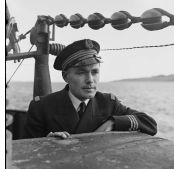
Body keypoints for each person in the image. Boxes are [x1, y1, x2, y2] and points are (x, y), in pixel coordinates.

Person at [23, 39, 157, 139]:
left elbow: (150, 124)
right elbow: (26, 151)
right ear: (66, 77)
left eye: (94, 72)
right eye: (81, 72)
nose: (90, 79)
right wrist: (45, 143)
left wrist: (112, 123)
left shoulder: (108, 103)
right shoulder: (41, 107)